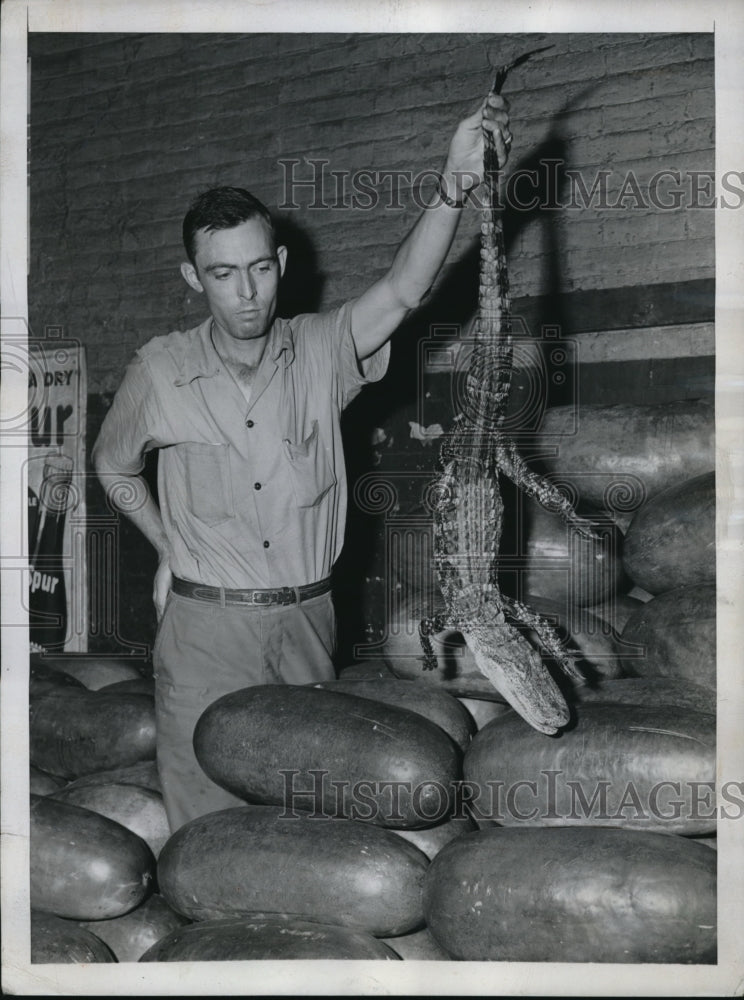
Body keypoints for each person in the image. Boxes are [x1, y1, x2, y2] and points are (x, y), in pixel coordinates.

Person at [92, 92, 512, 831]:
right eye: (222, 275)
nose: (246, 292)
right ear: (193, 278)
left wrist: (454, 181)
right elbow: (114, 468)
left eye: (258, 268)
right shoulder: (159, 372)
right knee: (207, 824)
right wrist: (168, 547)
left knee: (309, 825)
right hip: (206, 630)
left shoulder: (322, 347)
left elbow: (406, 290)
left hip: (309, 621)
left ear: (280, 263)